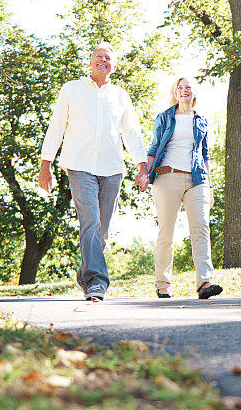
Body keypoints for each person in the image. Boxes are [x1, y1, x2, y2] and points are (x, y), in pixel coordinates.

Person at [38, 42, 149, 302]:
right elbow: (56, 127)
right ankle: (97, 281)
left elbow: (131, 132)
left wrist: (141, 164)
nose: (103, 60)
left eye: (108, 58)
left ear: (114, 66)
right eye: (98, 56)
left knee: (102, 231)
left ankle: (85, 273)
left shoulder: (121, 95)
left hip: (112, 168)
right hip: (79, 165)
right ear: (90, 61)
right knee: (91, 222)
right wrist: (46, 164)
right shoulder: (71, 89)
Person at [146, 76, 222, 299]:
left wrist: (209, 186)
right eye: (180, 88)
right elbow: (153, 148)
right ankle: (162, 283)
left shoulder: (201, 120)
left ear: (194, 92)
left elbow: (205, 155)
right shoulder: (165, 117)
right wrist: (144, 173)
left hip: (196, 179)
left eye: (188, 87)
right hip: (166, 178)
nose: (184, 90)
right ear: (175, 92)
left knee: (201, 229)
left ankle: (204, 282)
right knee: (166, 232)